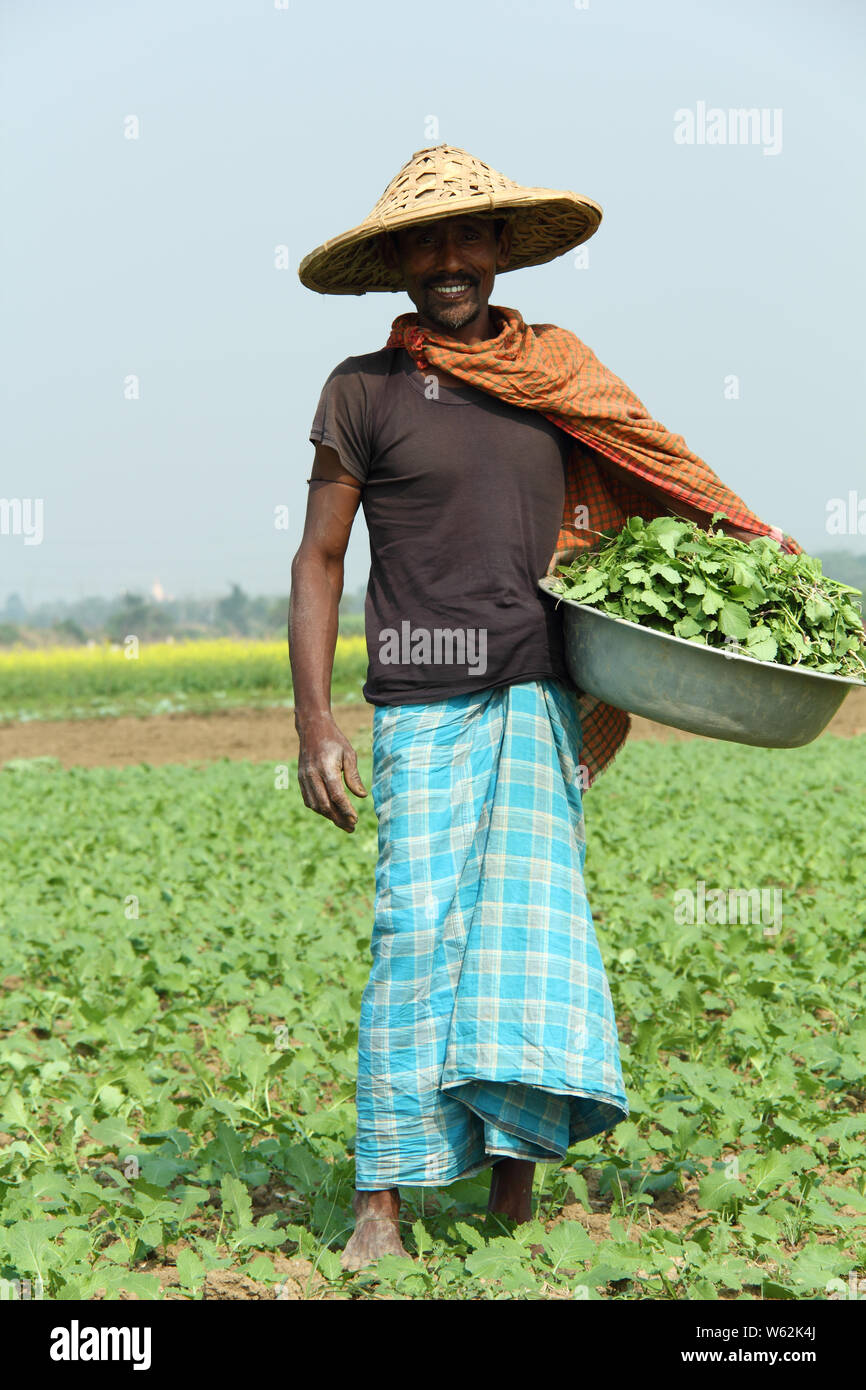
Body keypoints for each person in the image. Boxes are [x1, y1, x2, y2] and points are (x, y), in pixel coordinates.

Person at [289, 144, 799, 1271]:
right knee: (417, 935)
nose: (447, 261)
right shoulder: (361, 390)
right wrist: (313, 722)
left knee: (525, 941)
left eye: (466, 238)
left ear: (500, 251)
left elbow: (656, 475)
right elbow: (320, 559)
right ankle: (382, 1194)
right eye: (423, 243)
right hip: (421, 700)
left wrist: (755, 561)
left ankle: (509, 1195)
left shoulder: (557, 371)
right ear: (395, 265)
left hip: (536, 693)